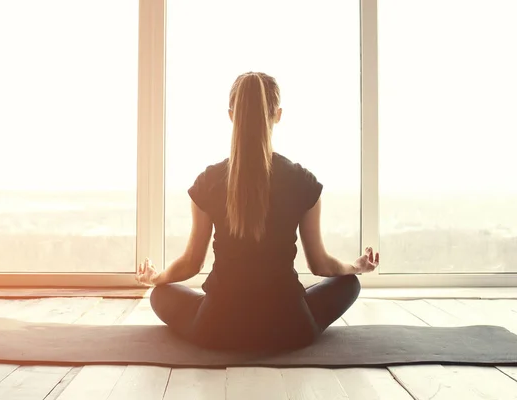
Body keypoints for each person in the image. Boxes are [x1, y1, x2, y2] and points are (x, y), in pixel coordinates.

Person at [136, 71, 380, 352]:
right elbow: (320, 265)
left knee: (161, 294)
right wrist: (355, 268)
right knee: (349, 285)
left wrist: (157, 278)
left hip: (216, 329)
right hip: (290, 328)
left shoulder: (209, 181)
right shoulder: (302, 181)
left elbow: (192, 263)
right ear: (277, 114)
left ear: (231, 115)